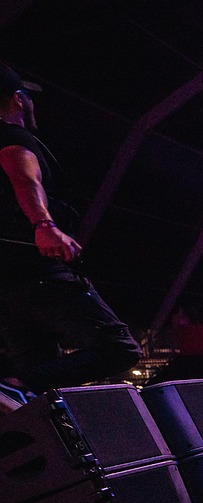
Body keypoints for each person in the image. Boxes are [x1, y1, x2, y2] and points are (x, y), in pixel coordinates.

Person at [0, 62, 140, 413]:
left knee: (44, 392)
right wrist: (44, 225)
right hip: (41, 276)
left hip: (7, 289)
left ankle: (25, 395)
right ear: (18, 99)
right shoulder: (13, 138)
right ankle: (13, 385)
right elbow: (25, 179)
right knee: (119, 348)